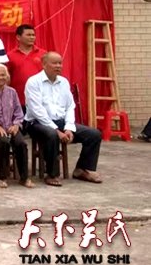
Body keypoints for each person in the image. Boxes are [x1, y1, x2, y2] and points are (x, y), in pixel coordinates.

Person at [24, 52, 103, 186]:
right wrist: (57, 130)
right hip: (37, 123)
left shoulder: (64, 82)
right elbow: (37, 111)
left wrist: (69, 128)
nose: (58, 66)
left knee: (94, 134)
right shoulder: (33, 82)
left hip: (60, 121)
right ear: (44, 64)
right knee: (51, 135)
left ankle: (82, 169)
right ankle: (52, 174)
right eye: (54, 63)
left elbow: (70, 106)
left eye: (60, 63)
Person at [6, 24, 45, 108]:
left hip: (40, 100)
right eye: (28, 35)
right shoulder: (10, 55)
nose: (32, 37)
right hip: (18, 101)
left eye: (33, 35)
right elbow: (7, 78)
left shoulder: (43, 54)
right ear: (18, 37)